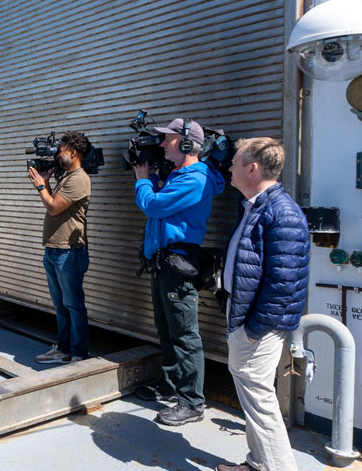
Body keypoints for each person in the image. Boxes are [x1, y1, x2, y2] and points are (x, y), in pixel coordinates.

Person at [216, 138, 309, 471]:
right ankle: (258, 463)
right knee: (254, 399)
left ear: (251, 168)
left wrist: (252, 332)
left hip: (258, 327)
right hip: (246, 320)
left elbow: (281, 286)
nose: (229, 166)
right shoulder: (255, 206)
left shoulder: (281, 213)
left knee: (260, 400)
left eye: (235, 161)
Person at [133, 117, 225, 426]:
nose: (161, 144)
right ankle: (171, 386)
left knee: (185, 334)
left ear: (186, 144)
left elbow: (154, 206)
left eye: (167, 139)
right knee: (167, 329)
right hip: (164, 264)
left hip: (178, 265)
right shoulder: (178, 175)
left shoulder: (194, 179)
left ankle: (192, 402)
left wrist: (143, 179)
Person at [28, 131, 93, 364]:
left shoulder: (78, 178)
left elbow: (54, 207)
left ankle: (78, 354)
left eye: (62, 149)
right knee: (61, 305)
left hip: (69, 252)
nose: (58, 153)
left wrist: (40, 186)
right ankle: (63, 348)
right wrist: (45, 182)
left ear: (74, 153)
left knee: (74, 305)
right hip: (55, 250)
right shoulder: (66, 177)